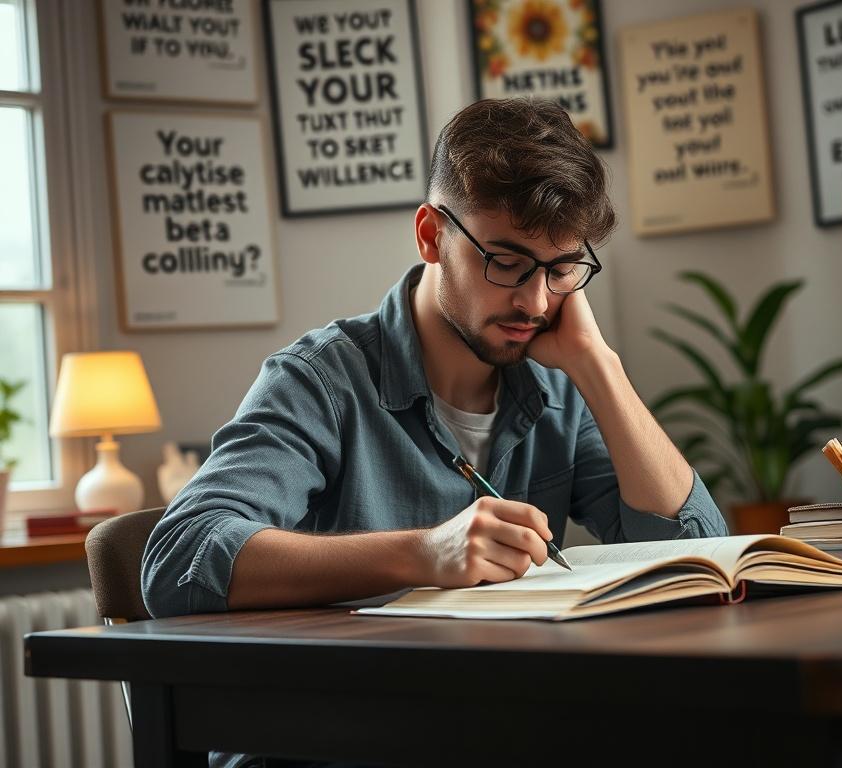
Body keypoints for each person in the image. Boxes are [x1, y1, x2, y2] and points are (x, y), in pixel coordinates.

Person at [142, 97, 726, 621]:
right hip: (336, 726)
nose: (535, 300)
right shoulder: (320, 380)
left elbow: (694, 555)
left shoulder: (560, 385)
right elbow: (180, 558)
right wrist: (425, 553)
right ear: (430, 236)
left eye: (562, 267)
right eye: (505, 260)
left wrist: (600, 365)